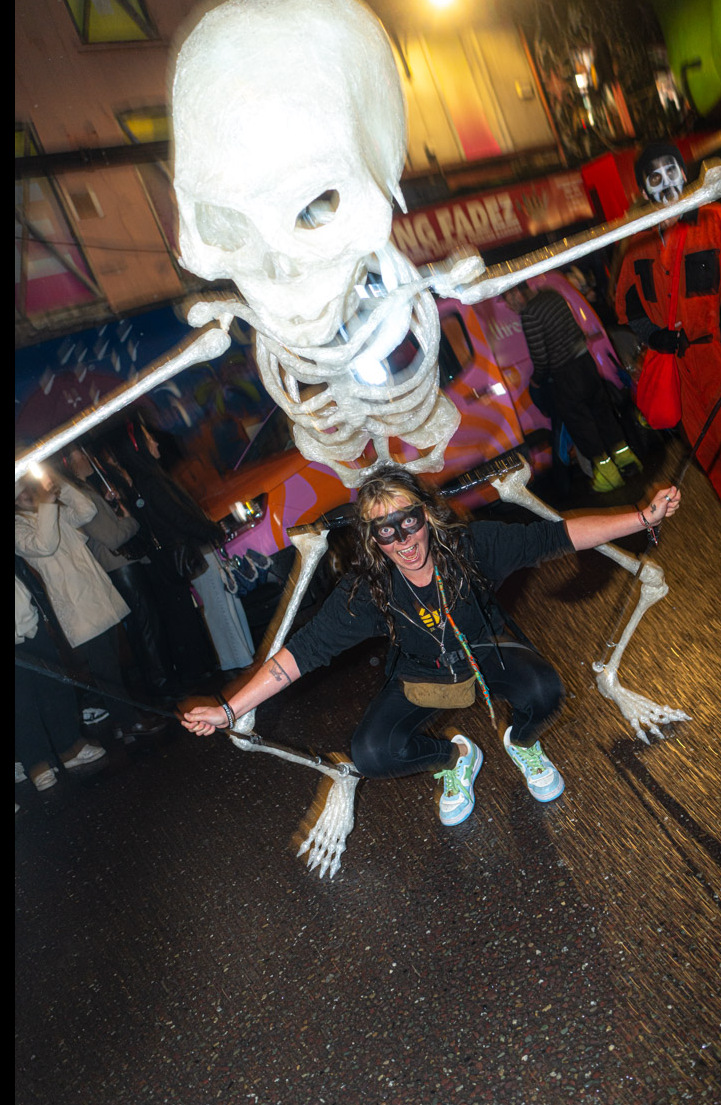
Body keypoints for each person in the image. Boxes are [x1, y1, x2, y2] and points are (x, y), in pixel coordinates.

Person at [180, 466, 681, 827]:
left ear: (428, 517)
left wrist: (643, 516)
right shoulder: (366, 591)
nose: (404, 539)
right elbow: (300, 653)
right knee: (372, 752)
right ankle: (454, 758)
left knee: (546, 691)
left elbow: (557, 537)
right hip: (423, 674)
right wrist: (229, 709)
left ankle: (522, 743)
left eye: (410, 520)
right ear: (374, 540)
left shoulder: (471, 546)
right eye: (387, 531)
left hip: (487, 651)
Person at [614, 140, 721, 589]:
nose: (667, 183)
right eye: (655, 177)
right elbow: (632, 309)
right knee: (710, 455)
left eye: (671, 170)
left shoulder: (715, 221)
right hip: (680, 371)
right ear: (645, 189)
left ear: (683, 171)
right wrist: (656, 336)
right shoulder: (636, 243)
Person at [14, 468, 161, 744]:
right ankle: (129, 722)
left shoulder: (50, 509)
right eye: (19, 492)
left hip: (95, 592)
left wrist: (58, 483)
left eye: (26, 488)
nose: (25, 494)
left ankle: (124, 720)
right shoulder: (19, 527)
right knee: (105, 670)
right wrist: (47, 503)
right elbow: (44, 545)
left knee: (112, 664)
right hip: (75, 603)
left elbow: (86, 511)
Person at [98, 418, 244, 688]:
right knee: (214, 606)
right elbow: (175, 516)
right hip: (181, 551)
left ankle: (228, 662)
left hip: (179, 551)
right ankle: (232, 663)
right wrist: (210, 532)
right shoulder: (148, 480)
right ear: (137, 446)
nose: (155, 442)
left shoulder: (147, 477)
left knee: (211, 607)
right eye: (147, 438)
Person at [503, 281, 643, 494]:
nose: (511, 308)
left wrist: (536, 380)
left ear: (515, 293)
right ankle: (628, 461)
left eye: (508, 301)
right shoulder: (553, 295)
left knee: (582, 424)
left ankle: (609, 476)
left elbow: (540, 358)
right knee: (603, 412)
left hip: (566, 373)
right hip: (586, 363)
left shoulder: (530, 314)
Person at [59, 446, 178, 696]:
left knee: (141, 624)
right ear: (72, 462)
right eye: (82, 454)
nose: (88, 456)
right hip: (119, 564)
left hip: (120, 564)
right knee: (145, 623)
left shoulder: (89, 490)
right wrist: (130, 521)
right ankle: (162, 682)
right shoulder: (80, 496)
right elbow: (112, 537)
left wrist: (113, 504)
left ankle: (159, 681)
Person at [15, 567, 106, 792]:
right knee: (20, 703)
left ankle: (70, 747)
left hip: (30, 622)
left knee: (54, 686)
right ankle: (38, 764)